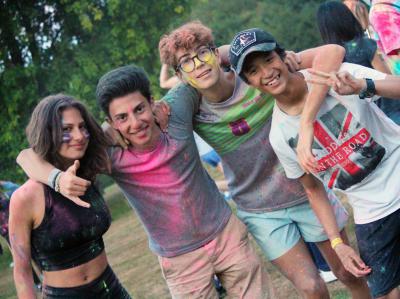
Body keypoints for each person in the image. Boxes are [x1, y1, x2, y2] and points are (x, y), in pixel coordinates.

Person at [17, 66, 271, 299]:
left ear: (152, 102)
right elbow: (25, 155)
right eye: (122, 117)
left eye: (139, 109)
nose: (135, 123)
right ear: (111, 122)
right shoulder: (107, 152)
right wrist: (57, 179)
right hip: (180, 262)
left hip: (227, 236)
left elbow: (212, 62)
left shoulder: (176, 110)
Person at [159, 21, 370, 298]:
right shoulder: (191, 109)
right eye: (186, 61)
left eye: (203, 53)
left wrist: (287, 61)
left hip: (307, 190)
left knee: (347, 273)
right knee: (311, 288)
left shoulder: (253, 74)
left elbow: (331, 52)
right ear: (179, 74)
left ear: (215, 53)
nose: (198, 64)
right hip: (259, 209)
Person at [231, 27, 400, 299]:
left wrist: (362, 85)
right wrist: (337, 243)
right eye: (253, 71)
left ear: (284, 57)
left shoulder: (331, 75)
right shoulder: (281, 135)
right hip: (371, 212)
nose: (266, 72)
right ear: (250, 83)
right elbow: (313, 190)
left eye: (268, 60)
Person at [10, 94, 131, 298]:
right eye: (67, 129)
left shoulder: (89, 172)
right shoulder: (27, 197)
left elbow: (111, 128)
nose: (80, 135)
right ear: (47, 133)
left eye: (82, 127)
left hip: (111, 289)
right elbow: (22, 272)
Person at [317, 1, 400, 125]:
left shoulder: (331, 60)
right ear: (346, 18)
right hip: (392, 108)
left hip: (370, 120)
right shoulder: (364, 45)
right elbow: (387, 76)